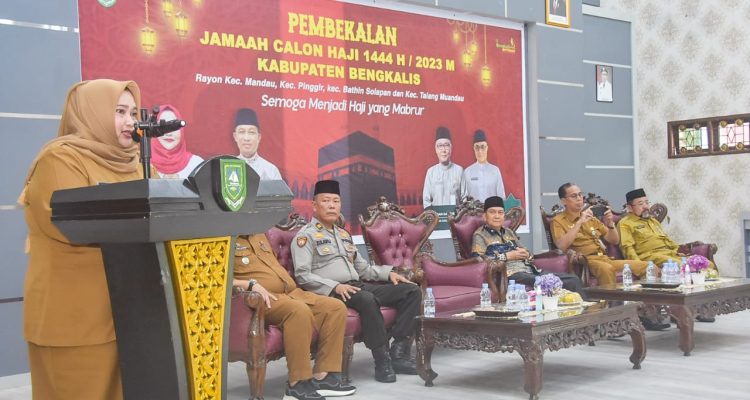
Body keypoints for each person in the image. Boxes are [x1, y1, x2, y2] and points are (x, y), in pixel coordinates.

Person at [19, 79, 152, 399]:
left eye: (133, 113)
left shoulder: (138, 163)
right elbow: (70, 225)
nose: (130, 121)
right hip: (74, 320)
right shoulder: (60, 159)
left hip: (128, 316)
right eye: (119, 111)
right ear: (92, 112)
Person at [292, 180, 422, 383]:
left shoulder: (343, 235)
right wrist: (335, 286)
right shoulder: (305, 237)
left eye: (336, 201)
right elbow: (302, 275)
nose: (332, 205)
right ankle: (382, 361)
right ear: (314, 206)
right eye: (326, 201)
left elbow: (363, 269)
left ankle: (399, 352)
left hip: (356, 285)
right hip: (332, 291)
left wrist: (388, 274)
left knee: (411, 291)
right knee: (366, 299)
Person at [233, 234, 356, 400]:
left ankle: (324, 376)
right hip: (261, 299)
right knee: (298, 311)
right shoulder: (224, 239)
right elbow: (215, 279)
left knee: (335, 307)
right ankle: (297, 384)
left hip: (291, 293)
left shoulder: (259, 235)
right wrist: (248, 284)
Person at [472, 196, 582, 293]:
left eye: (500, 212)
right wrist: (506, 256)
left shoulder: (508, 232)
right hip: (509, 275)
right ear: (484, 216)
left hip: (530, 271)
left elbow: (526, 252)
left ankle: (582, 310)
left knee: (572, 280)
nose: (497, 216)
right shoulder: (480, 235)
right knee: (547, 282)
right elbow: (479, 261)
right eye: (492, 212)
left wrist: (526, 254)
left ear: (503, 216)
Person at [618, 188, 716, 271]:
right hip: (650, 256)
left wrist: (678, 250)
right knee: (685, 266)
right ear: (630, 208)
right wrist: (640, 265)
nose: (645, 206)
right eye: (640, 204)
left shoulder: (653, 221)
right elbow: (627, 248)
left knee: (707, 264)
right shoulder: (625, 223)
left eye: (647, 203)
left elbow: (666, 240)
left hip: (669, 254)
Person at [150, 104, 204, 179]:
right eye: (163, 127)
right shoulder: (143, 166)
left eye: (174, 127)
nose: (169, 133)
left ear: (182, 131)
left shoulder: (196, 164)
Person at [232, 108, 282, 180]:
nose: (246, 138)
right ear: (235, 136)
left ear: (258, 137)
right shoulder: (227, 168)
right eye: (242, 132)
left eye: (251, 132)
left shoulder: (271, 171)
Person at [423, 126, 466, 207]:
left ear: (451, 148)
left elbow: (465, 199)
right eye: (440, 146)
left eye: (446, 145)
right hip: (436, 215)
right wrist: (432, 214)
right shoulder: (431, 172)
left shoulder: (459, 170)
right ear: (436, 149)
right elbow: (426, 201)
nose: (443, 150)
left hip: (456, 215)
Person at [463, 129, 506, 202]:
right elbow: (464, 200)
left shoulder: (495, 171)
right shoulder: (467, 172)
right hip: (473, 209)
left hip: (492, 209)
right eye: (477, 147)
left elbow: (502, 197)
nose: (480, 151)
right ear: (474, 149)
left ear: (487, 148)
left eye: (482, 147)